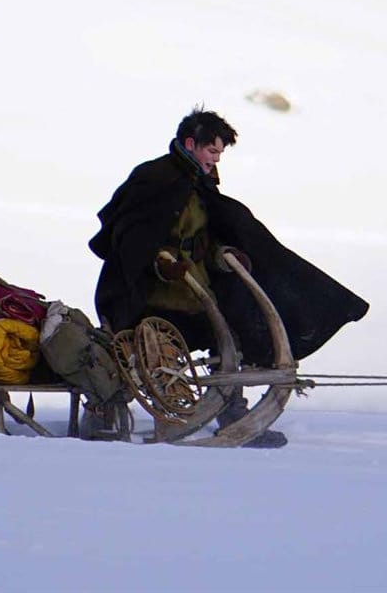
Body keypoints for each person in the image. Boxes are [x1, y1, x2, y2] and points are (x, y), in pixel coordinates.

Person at [89, 108, 369, 446]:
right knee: (153, 350)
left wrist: (224, 255)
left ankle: (233, 414)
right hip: (150, 294)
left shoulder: (199, 181)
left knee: (231, 338)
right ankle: (118, 412)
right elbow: (129, 237)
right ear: (190, 144)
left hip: (196, 287)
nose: (216, 159)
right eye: (212, 150)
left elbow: (206, 235)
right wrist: (158, 264)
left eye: (220, 152)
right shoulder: (154, 178)